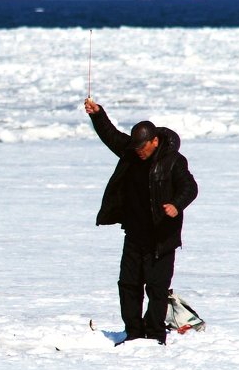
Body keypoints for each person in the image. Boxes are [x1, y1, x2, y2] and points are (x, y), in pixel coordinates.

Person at [84, 98, 197, 344]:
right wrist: (97, 114)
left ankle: (155, 333)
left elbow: (190, 187)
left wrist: (176, 205)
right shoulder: (133, 152)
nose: (139, 151)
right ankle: (134, 332)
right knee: (128, 285)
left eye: (143, 147)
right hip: (134, 234)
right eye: (136, 147)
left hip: (161, 237)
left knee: (156, 288)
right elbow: (111, 136)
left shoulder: (174, 161)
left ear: (154, 141)